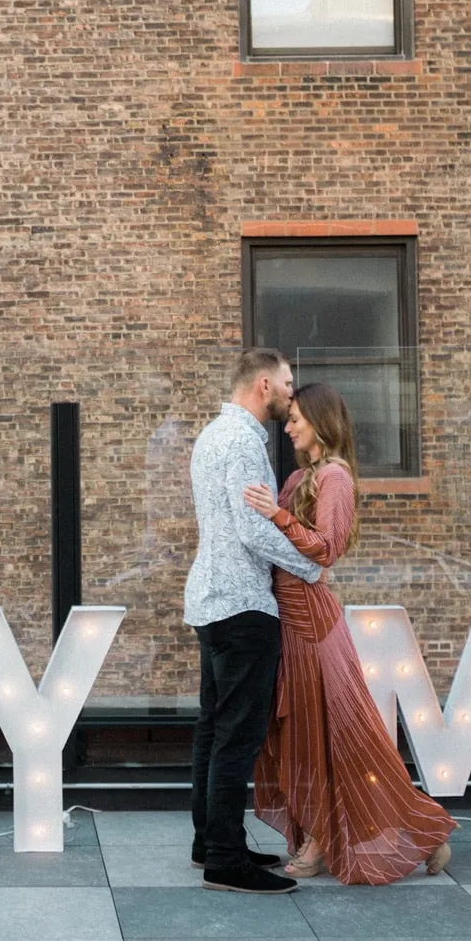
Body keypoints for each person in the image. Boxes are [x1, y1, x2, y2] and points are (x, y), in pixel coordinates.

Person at [243, 382, 456, 884]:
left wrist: (274, 514)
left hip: (315, 629)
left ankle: (402, 832)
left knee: (341, 740)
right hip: (291, 624)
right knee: (304, 739)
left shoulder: (335, 478)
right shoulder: (299, 476)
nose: (288, 425)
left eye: (296, 418)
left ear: (321, 422)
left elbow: (327, 548)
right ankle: (391, 832)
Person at [184, 348, 325, 895]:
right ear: (263, 384)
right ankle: (224, 858)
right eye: (288, 383)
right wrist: (309, 565)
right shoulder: (243, 440)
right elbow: (252, 528)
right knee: (236, 737)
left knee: (213, 731)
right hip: (243, 604)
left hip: (212, 600)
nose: (294, 392)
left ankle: (211, 842)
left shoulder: (212, 434)